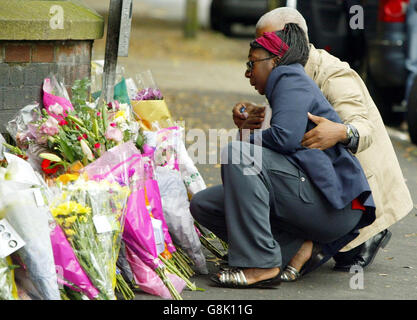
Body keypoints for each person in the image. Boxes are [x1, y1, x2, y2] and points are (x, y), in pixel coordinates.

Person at [191, 24, 376, 288]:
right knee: (204, 203)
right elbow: (282, 141)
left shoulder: (289, 77)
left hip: (334, 206)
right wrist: (249, 132)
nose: (247, 73)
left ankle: (261, 265)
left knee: (239, 153)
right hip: (316, 199)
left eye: (251, 63)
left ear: (275, 61)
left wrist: (242, 141)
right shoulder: (285, 85)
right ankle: (293, 249)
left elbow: (284, 138)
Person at [232, 7, 413, 273]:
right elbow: (284, 127)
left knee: (335, 260)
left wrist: (340, 132)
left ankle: (368, 231)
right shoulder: (284, 69)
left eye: (267, 41)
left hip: (354, 187)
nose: (261, 48)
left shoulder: (332, 73)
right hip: (319, 175)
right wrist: (250, 122)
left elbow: (363, 128)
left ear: (295, 39)